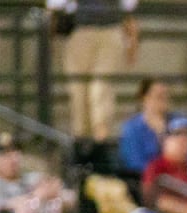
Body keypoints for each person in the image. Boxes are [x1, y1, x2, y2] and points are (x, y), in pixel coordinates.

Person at [49, 0, 138, 141]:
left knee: (101, 89)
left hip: (110, 30)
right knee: (78, 92)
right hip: (79, 32)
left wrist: (132, 42)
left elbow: (128, 11)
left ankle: (100, 142)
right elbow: (54, 8)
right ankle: (81, 141)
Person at [119, 79, 187, 176]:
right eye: (159, 96)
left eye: (166, 95)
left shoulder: (182, 123)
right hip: (150, 180)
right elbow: (134, 163)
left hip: (185, 179)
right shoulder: (132, 128)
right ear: (144, 98)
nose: (164, 100)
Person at [0, 133, 73, 213]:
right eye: (6, 154)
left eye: (16, 152)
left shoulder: (31, 179)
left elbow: (69, 198)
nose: (14, 159)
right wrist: (37, 196)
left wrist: (55, 193)